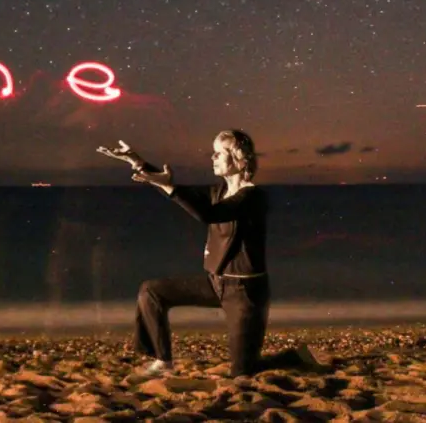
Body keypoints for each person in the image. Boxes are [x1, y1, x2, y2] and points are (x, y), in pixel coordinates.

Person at [97, 131, 323, 377]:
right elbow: (180, 194)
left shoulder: (254, 198)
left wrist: (168, 185)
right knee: (151, 291)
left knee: (243, 372)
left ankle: (295, 357)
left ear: (239, 159)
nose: (212, 157)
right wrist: (138, 162)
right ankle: (163, 361)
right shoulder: (217, 192)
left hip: (245, 294)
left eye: (219, 153)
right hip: (215, 284)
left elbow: (209, 214)